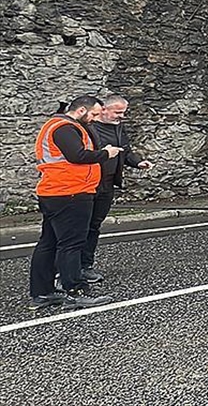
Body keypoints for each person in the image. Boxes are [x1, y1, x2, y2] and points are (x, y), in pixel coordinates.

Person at [29, 96, 121, 310]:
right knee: (71, 243)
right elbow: (77, 156)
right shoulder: (65, 128)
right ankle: (75, 292)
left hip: (57, 192)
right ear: (81, 110)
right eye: (94, 114)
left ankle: (43, 293)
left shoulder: (58, 125)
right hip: (70, 192)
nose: (96, 119)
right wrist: (106, 153)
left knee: (49, 242)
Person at [85, 96, 152, 284]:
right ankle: (65, 270)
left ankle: (85, 265)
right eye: (117, 112)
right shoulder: (88, 128)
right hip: (88, 183)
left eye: (123, 112)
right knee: (79, 228)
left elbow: (126, 150)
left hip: (107, 184)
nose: (121, 116)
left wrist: (138, 162)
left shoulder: (118, 127)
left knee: (94, 226)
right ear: (103, 109)